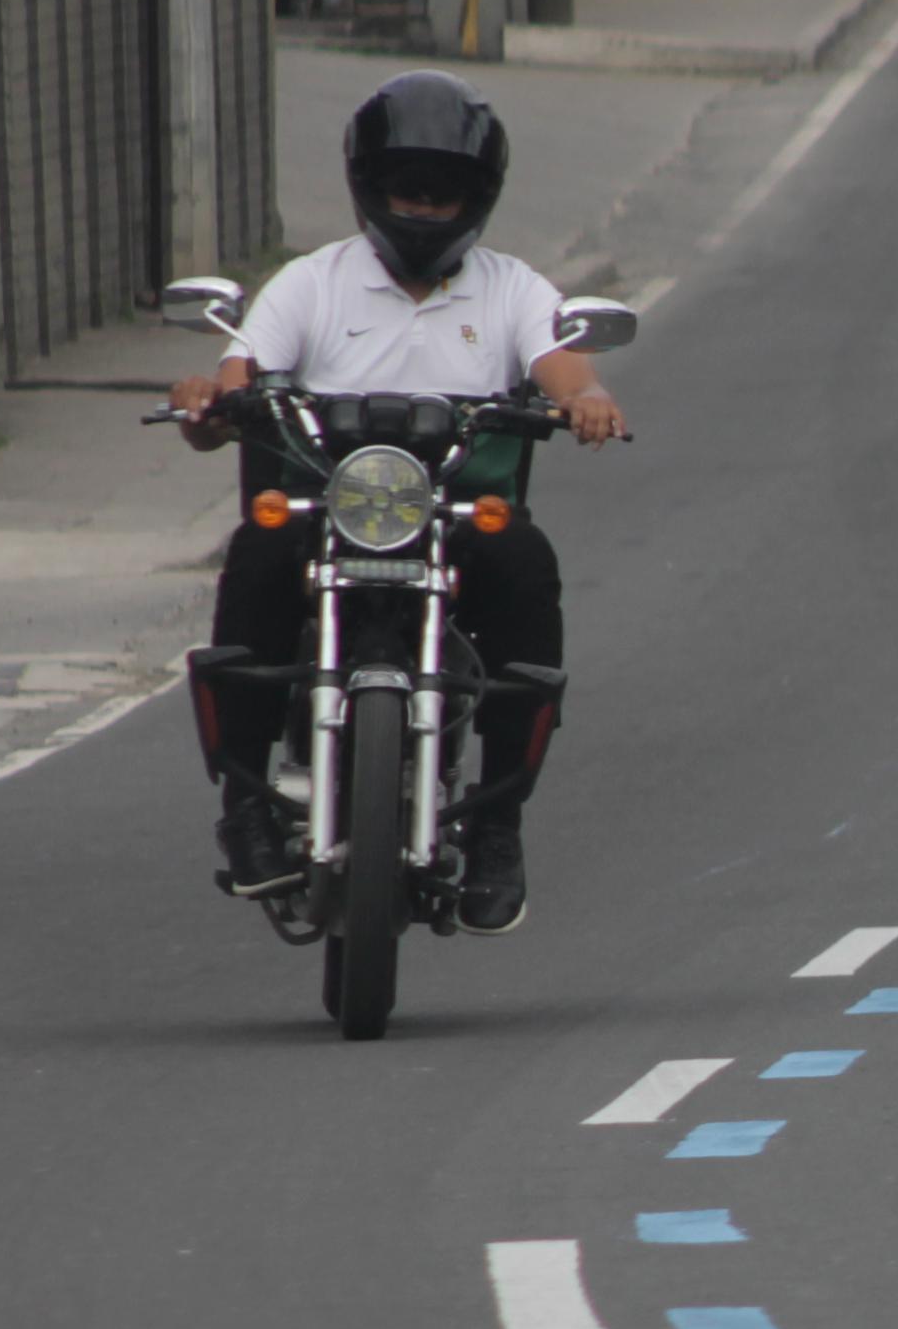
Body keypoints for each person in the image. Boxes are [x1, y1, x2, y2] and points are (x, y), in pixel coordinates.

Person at [168, 73, 628, 934]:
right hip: (325, 516)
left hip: (455, 518)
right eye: (406, 188)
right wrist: (211, 400)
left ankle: (496, 824)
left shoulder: (512, 288)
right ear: (369, 187)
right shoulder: (311, 283)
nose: (422, 206)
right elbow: (241, 378)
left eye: (442, 190)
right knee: (259, 553)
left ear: (476, 195)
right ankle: (246, 806)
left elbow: (560, 362)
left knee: (524, 562)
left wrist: (585, 396)